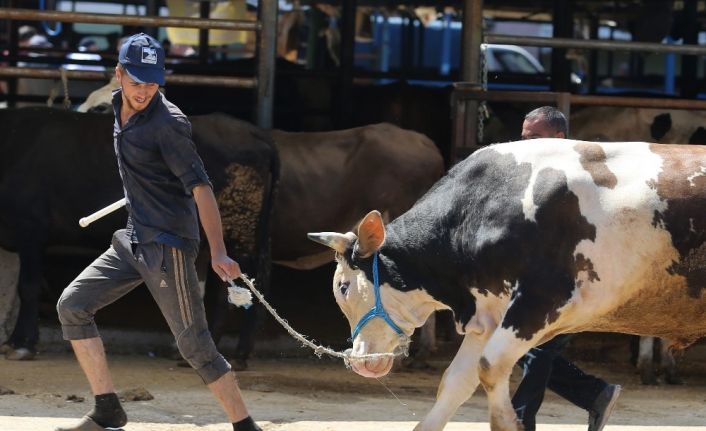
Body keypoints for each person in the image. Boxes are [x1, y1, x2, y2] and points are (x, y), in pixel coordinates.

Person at [55, 33, 262, 431]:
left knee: (195, 346)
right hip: (134, 237)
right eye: (137, 82)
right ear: (118, 75)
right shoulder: (116, 105)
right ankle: (108, 408)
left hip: (168, 244)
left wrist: (217, 251)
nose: (144, 91)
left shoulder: (169, 125)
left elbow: (201, 188)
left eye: (152, 83)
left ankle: (244, 426)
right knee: (73, 305)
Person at [513, 106, 622, 431]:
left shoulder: (579, 175)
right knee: (523, 347)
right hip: (547, 276)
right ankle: (595, 394)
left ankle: (521, 418)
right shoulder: (536, 170)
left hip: (576, 276)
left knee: (534, 347)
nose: (525, 144)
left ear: (559, 138)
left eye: (534, 137)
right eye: (523, 138)